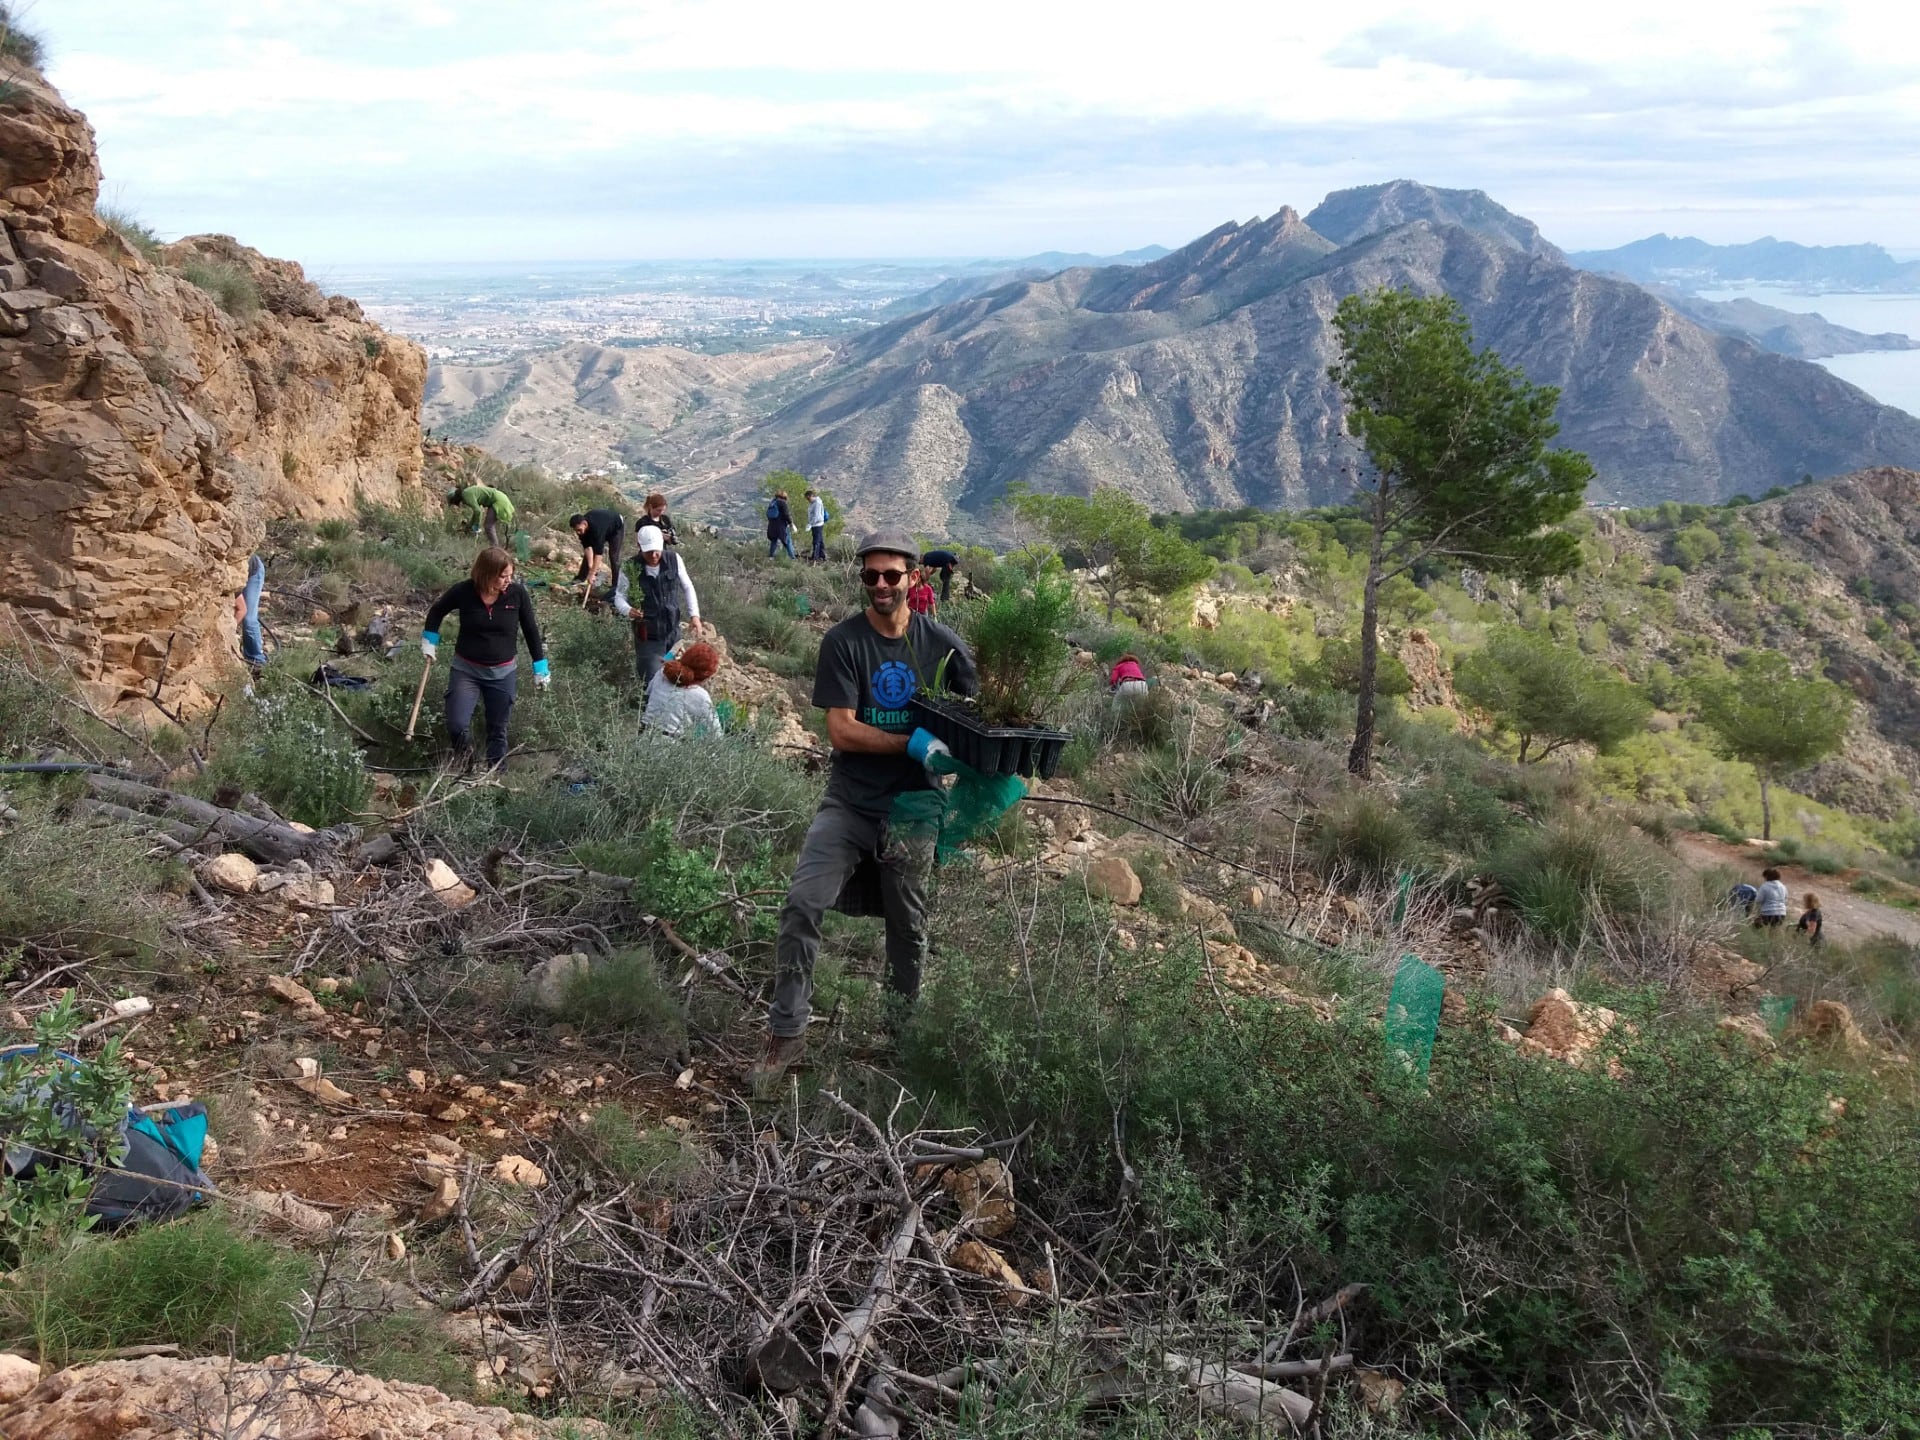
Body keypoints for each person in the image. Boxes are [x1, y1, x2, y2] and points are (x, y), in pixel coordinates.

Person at [750, 529, 979, 1094]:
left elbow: (981, 705)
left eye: (891, 575)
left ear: (913, 578)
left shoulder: (941, 644)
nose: (879, 585)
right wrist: (911, 743)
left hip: (915, 804)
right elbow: (842, 731)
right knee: (803, 902)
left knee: (908, 924)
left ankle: (899, 1035)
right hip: (850, 800)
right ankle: (787, 1033)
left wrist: (986, 747)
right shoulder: (843, 642)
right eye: (870, 576)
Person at [421, 547, 548, 771]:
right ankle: (467, 768)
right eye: (503, 576)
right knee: (457, 725)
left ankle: (497, 776)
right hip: (466, 671)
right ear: (487, 573)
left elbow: (531, 630)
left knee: (497, 730)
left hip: (503, 673)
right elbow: (437, 611)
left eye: (511, 574)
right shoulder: (464, 591)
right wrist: (429, 642)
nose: (509, 580)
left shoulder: (517, 594)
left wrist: (541, 668)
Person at [613, 525, 702, 690]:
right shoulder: (629, 567)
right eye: (649, 552)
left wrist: (694, 615)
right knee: (651, 680)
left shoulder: (674, 560)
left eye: (657, 551)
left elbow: (687, 587)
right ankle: (648, 709)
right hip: (648, 636)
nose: (654, 556)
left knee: (676, 676)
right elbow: (619, 596)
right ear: (639, 547)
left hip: (672, 632)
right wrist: (628, 610)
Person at [642, 641, 723, 738]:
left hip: (643, 735)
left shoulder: (661, 674)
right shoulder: (700, 695)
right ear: (705, 675)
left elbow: (647, 694)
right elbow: (716, 734)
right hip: (669, 746)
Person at [570, 509, 624, 595]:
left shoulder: (596, 530)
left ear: (585, 524)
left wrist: (592, 573)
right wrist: (591, 566)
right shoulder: (582, 532)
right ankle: (581, 578)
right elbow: (588, 548)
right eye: (576, 530)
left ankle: (615, 587)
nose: (578, 532)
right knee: (588, 556)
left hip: (616, 527)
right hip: (604, 523)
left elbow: (599, 554)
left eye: (579, 530)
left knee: (614, 557)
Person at [446, 483, 515, 548]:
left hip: (499, 501)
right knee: (488, 525)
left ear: (455, 499)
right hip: (500, 497)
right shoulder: (466, 493)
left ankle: (495, 548)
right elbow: (476, 513)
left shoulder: (466, 495)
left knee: (488, 526)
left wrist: (476, 527)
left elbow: (478, 511)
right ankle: (494, 547)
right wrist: (470, 525)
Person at [234, 553, 267, 669]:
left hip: (254, 573)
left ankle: (257, 661)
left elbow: (242, 610)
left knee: (249, 619)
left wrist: (230, 629)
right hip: (240, 574)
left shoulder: (230, 583)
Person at [766, 490, 796, 559]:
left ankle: (771, 556)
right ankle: (792, 558)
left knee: (774, 540)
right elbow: (786, 514)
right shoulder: (782, 503)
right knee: (787, 541)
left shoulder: (772, 503)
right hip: (781, 526)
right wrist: (791, 523)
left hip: (772, 526)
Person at [804, 488, 828, 562]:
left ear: (811, 496)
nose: (808, 500)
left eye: (808, 498)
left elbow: (817, 516)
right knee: (820, 540)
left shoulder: (817, 503)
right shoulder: (813, 503)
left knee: (816, 541)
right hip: (816, 524)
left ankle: (815, 557)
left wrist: (810, 524)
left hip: (817, 524)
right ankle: (822, 556)